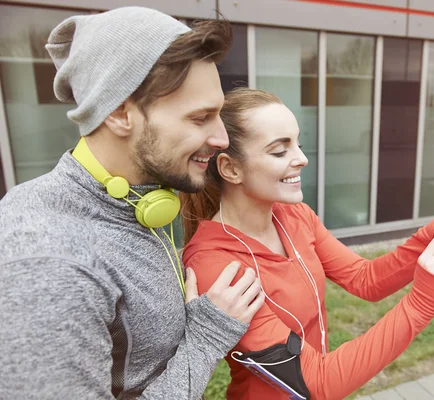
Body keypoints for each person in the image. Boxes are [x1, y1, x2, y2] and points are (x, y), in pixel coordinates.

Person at [0, 7, 265, 399]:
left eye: (219, 114)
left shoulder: (138, 197)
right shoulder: (51, 265)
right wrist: (207, 335)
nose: (222, 138)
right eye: (199, 118)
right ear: (120, 114)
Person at [180, 88, 434, 399]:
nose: (302, 159)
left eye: (297, 144)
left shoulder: (295, 215)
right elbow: (317, 381)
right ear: (231, 169)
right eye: (279, 151)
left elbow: (366, 279)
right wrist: (421, 304)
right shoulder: (215, 264)